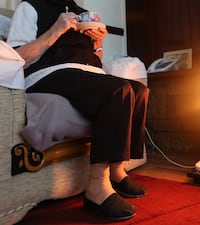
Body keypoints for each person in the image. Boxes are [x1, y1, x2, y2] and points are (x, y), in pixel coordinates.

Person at [7, 0, 149, 221]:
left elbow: (94, 63)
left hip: (85, 73)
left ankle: (117, 169)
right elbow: (18, 58)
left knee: (139, 90)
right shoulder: (31, 7)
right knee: (118, 90)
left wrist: (98, 43)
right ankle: (96, 187)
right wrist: (56, 30)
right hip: (47, 73)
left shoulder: (83, 14)